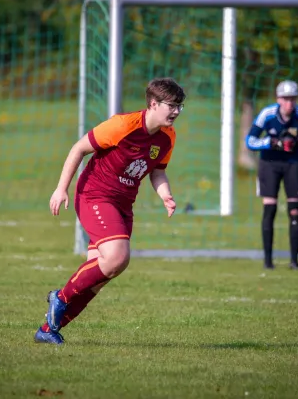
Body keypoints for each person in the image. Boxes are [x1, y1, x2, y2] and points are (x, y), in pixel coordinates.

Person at [34, 77, 186, 344]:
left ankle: (47, 331)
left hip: (123, 205)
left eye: (179, 106)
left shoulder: (167, 137)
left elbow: (157, 170)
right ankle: (59, 297)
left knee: (99, 279)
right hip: (94, 195)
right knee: (117, 257)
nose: (176, 111)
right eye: (172, 105)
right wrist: (61, 189)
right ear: (153, 103)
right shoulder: (122, 125)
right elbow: (78, 149)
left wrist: (166, 195)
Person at [246, 80, 298, 270]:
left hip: (294, 165)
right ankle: (268, 261)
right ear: (278, 99)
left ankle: (294, 261)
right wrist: (271, 143)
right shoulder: (267, 114)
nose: (289, 103)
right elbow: (250, 141)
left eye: (292, 99)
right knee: (269, 210)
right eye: (285, 99)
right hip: (269, 165)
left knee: (295, 211)